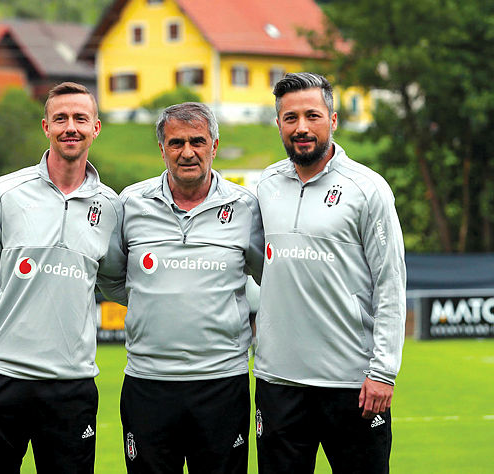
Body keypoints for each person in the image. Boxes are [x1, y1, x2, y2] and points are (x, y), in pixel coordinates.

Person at [0, 82, 123, 473]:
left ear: (96, 127)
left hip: (71, 385)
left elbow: (118, 282)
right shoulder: (5, 193)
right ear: (45, 126)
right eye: (60, 118)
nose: (71, 127)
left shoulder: (111, 207)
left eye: (80, 118)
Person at [253, 73, 406, 473]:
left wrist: (384, 371)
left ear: (333, 120)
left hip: (353, 385)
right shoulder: (264, 185)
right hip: (278, 383)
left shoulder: (368, 188)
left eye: (312, 116)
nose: (301, 128)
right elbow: (256, 262)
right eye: (290, 118)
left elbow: (390, 282)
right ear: (279, 125)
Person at [102, 102, 264, 473]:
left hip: (222, 382)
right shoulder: (131, 203)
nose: (187, 152)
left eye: (197, 141)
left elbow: (268, 274)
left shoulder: (245, 207)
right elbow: (112, 277)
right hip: (148, 382)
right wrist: (152, 298)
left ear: (215, 146)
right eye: (176, 143)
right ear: (161, 148)